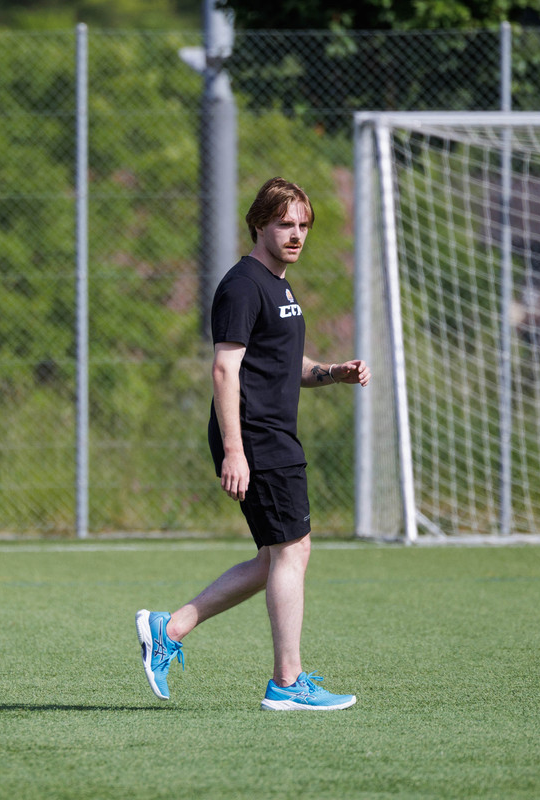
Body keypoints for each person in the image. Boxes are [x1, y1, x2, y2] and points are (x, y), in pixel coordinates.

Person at [135, 177, 368, 710]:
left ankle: (170, 628)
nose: (296, 234)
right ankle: (287, 683)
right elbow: (225, 369)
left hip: (272, 434)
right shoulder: (243, 285)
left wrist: (333, 372)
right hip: (257, 436)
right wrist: (235, 450)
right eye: (285, 223)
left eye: (303, 225)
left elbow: (283, 365)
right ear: (259, 224)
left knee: (275, 557)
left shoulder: (278, 286)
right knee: (292, 550)